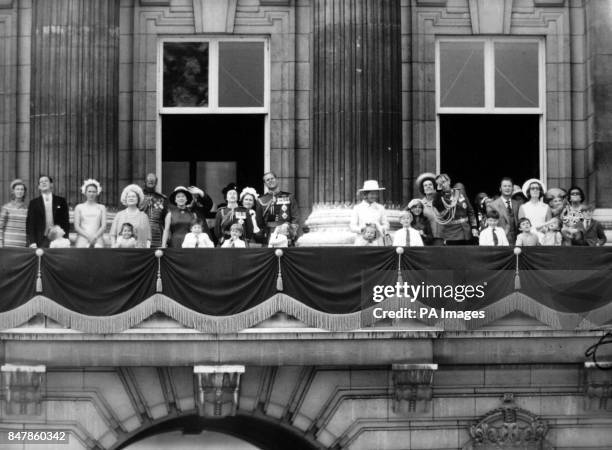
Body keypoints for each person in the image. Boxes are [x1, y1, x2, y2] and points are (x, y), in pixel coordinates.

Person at [432, 173, 478, 245]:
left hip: (466, 232)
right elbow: (435, 204)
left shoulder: (459, 193)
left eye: (443, 182)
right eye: (439, 184)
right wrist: (438, 191)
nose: (442, 185)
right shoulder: (439, 198)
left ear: (449, 181)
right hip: (452, 234)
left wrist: (474, 227)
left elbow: (470, 211)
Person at [26, 175, 70, 248]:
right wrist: (32, 241)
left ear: (51, 184)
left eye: (46, 181)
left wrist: (65, 238)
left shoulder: (61, 201)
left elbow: (66, 221)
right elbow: (30, 223)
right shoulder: (33, 203)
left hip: (58, 238)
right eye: (41, 182)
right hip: (40, 239)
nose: (43, 183)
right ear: (39, 187)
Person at [259, 172, 299, 245]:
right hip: (269, 233)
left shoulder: (289, 196)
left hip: (286, 232)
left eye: (272, 178)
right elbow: (259, 221)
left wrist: (291, 232)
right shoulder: (261, 200)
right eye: (268, 180)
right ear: (265, 184)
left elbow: (295, 217)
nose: (270, 180)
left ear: (276, 180)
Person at [350, 180, 389, 246]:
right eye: (372, 194)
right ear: (365, 194)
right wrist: (363, 230)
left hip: (377, 243)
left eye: (376, 194)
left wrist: (378, 228)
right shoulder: (357, 208)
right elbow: (352, 226)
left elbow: (386, 225)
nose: (374, 196)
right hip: (361, 242)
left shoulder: (380, 208)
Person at [74, 179, 107, 248]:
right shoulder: (79, 207)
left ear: (97, 193)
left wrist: (95, 237)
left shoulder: (102, 207)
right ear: (85, 192)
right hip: (83, 238)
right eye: (89, 191)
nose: (91, 194)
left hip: (97, 238)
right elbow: (77, 227)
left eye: (94, 192)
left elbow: (103, 226)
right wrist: (88, 237)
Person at [490, 178, 521, 245]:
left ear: (513, 189)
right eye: (505, 186)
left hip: (517, 241)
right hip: (501, 241)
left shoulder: (517, 204)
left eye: (509, 186)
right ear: (500, 188)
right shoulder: (493, 205)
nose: (507, 188)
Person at [140, 173, 168, 248]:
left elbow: (166, 219)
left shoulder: (162, 198)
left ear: (156, 183)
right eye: (149, 181)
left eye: (153, 182)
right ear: (144, 182)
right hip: (141, 231)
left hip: (157, 233)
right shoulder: (138, 196)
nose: (151, 183)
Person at [416, 173, 443, 246]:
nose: (428, 187)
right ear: (423, 189)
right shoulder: (419, 204)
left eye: (430, 185)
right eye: (425, 185)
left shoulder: (442, 201)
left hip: (441, 238)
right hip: (426, 238)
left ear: (434, 187)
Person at [0, 179, 28, 247]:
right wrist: (0, 241)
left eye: (22, 189)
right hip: (8, 244)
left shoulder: (27, 209)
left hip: (22, 244)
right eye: (17, 189)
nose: (20, 191)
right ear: (13, 191)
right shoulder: (6, 207)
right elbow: (0, 226)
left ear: (24, 192)